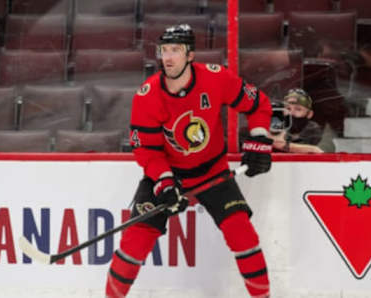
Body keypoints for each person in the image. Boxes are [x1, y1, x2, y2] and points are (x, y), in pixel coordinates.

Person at [105, 24, 273, 298]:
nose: (168, 57)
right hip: (169, 174)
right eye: (164, 50)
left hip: (213, 173)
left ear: (191, 55)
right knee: (135, 241)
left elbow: (258, 105)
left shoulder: (216, 78)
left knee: (242, 234)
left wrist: (260, 139)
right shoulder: (147, 96)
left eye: (176, 50)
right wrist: (165, 182)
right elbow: (147, 151)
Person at [269, 88, 324, 153]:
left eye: (298, 109)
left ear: (309, 114)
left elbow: (305, 148)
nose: (291, 113)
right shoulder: (277, 125)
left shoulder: (313, 128)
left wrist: (312, 149)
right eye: (288, 108)